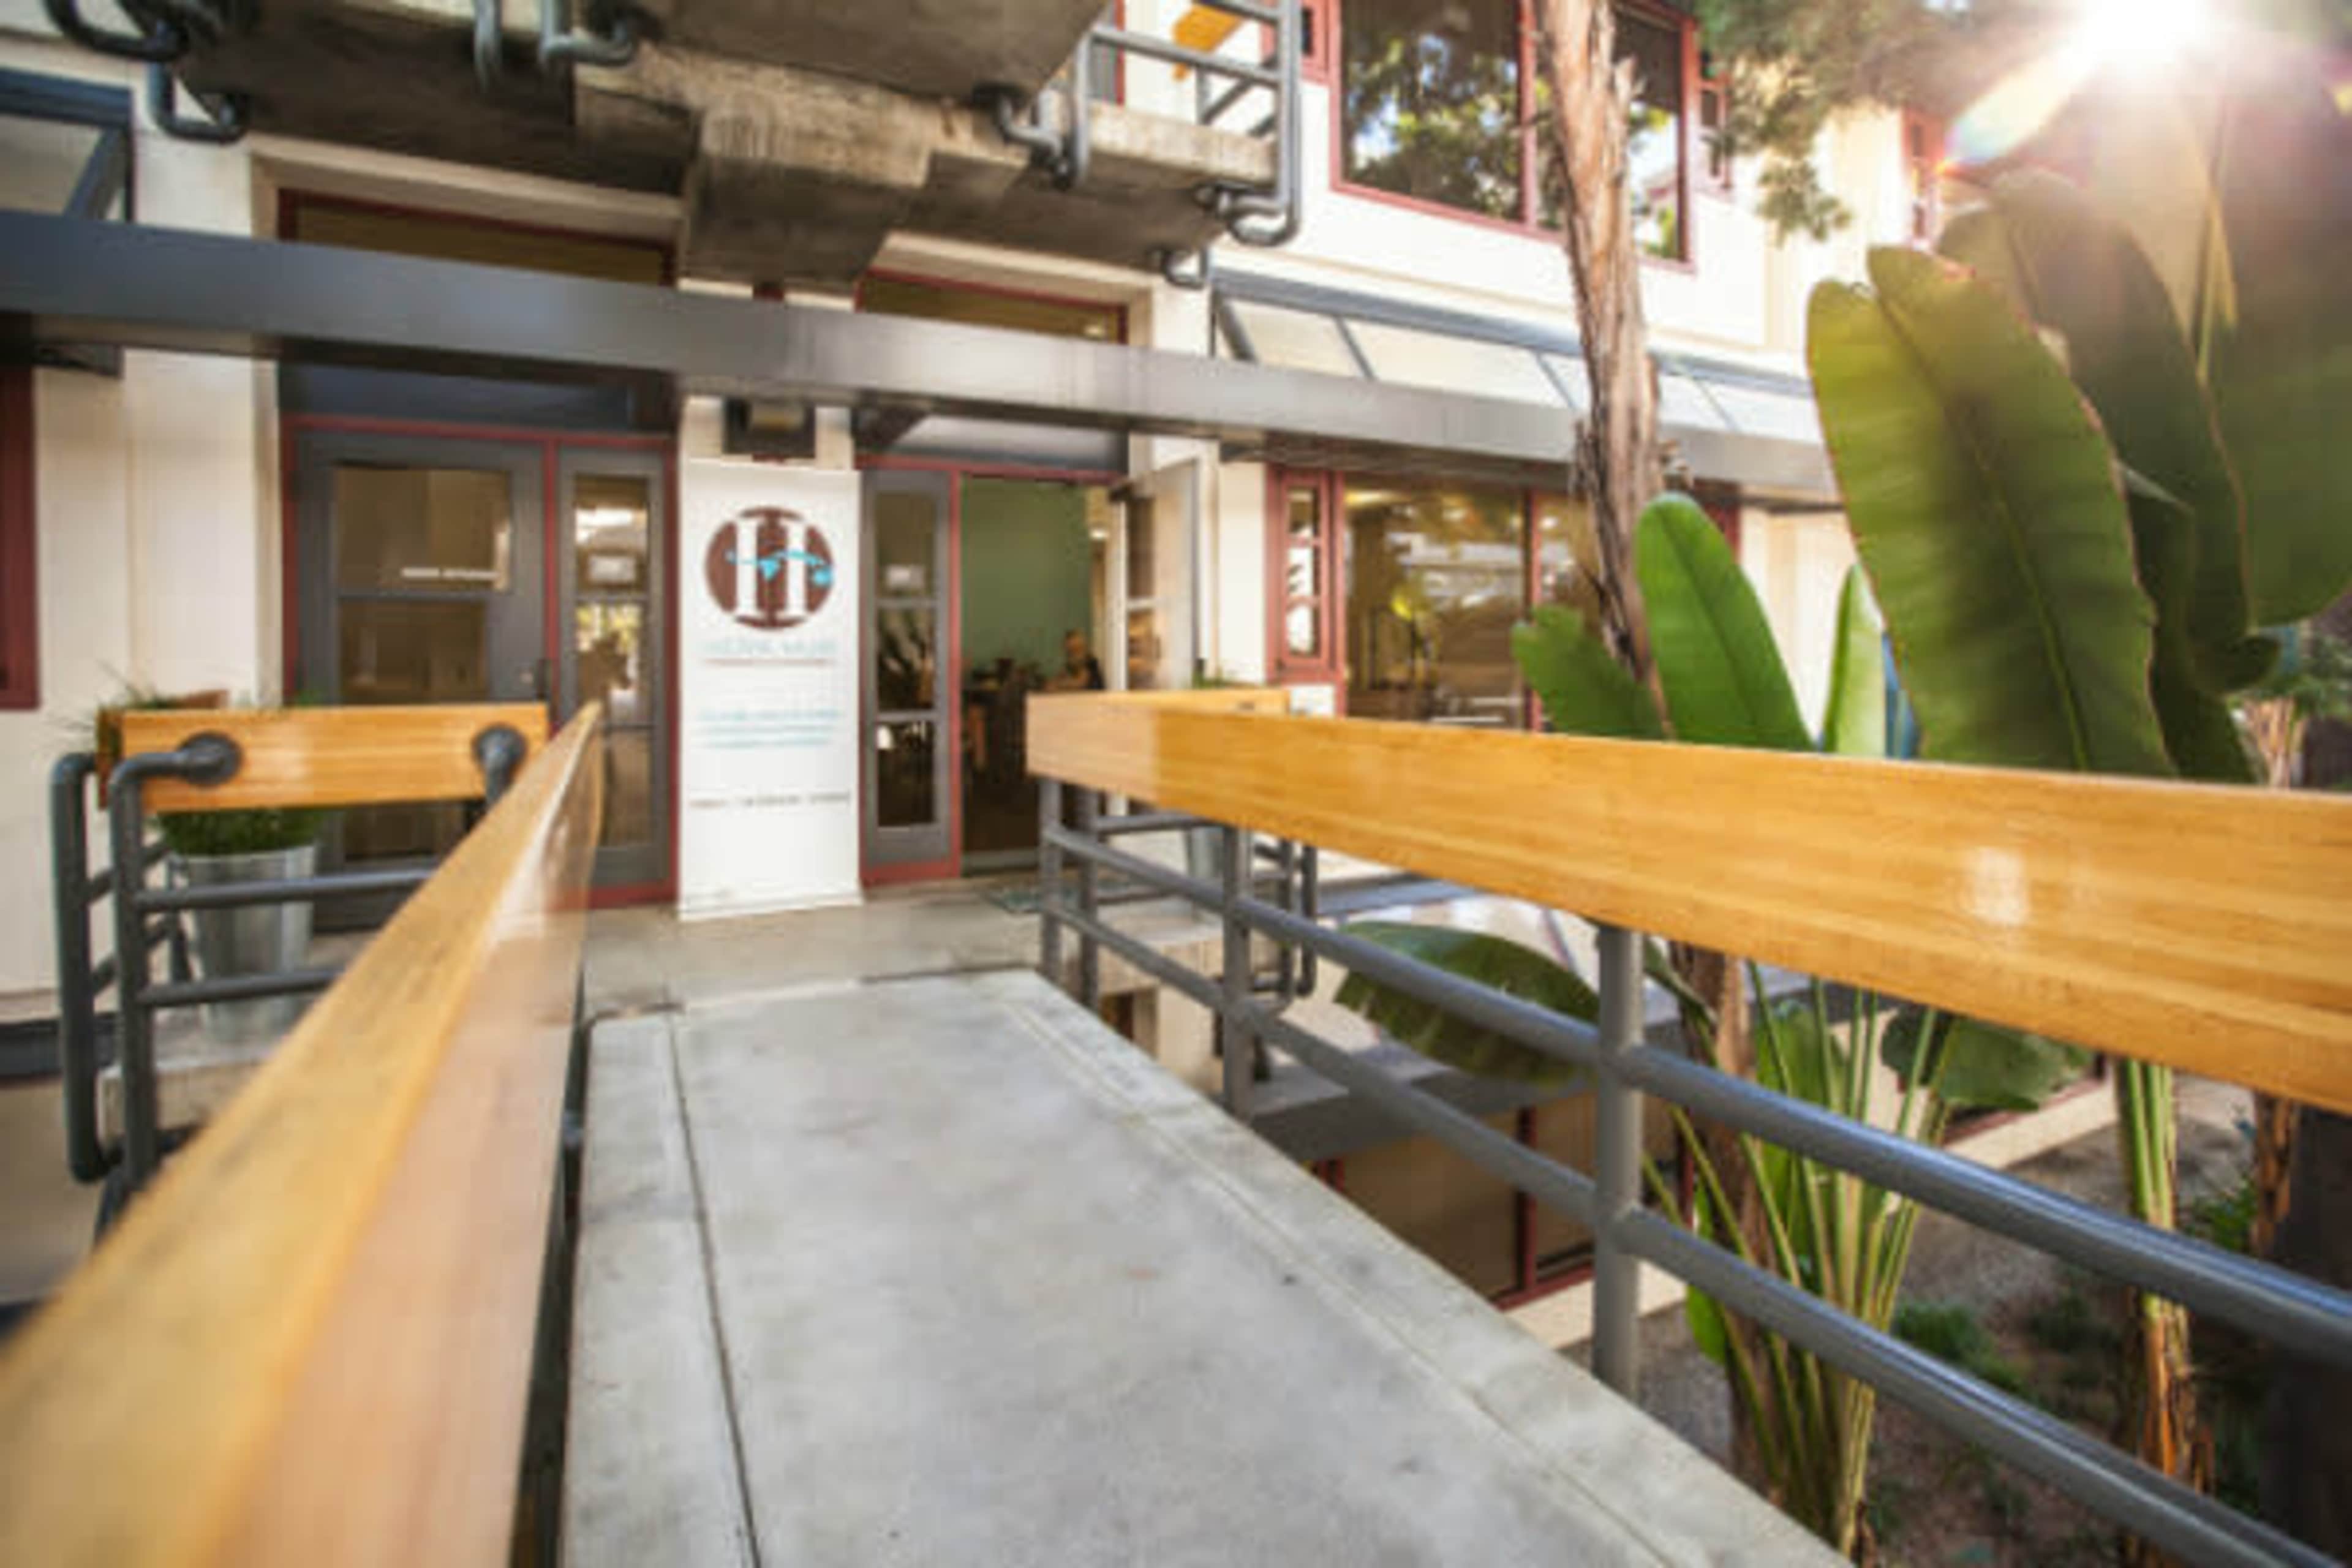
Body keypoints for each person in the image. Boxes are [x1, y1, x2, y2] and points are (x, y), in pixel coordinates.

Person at [1047, 628, 1105, 693]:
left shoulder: (1090, 660)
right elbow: (1061, 676)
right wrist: (1053, 684)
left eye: (1076, 648)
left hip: (1092, 697)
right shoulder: (1070, 662)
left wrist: (1060, 685)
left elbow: (1081, 683)